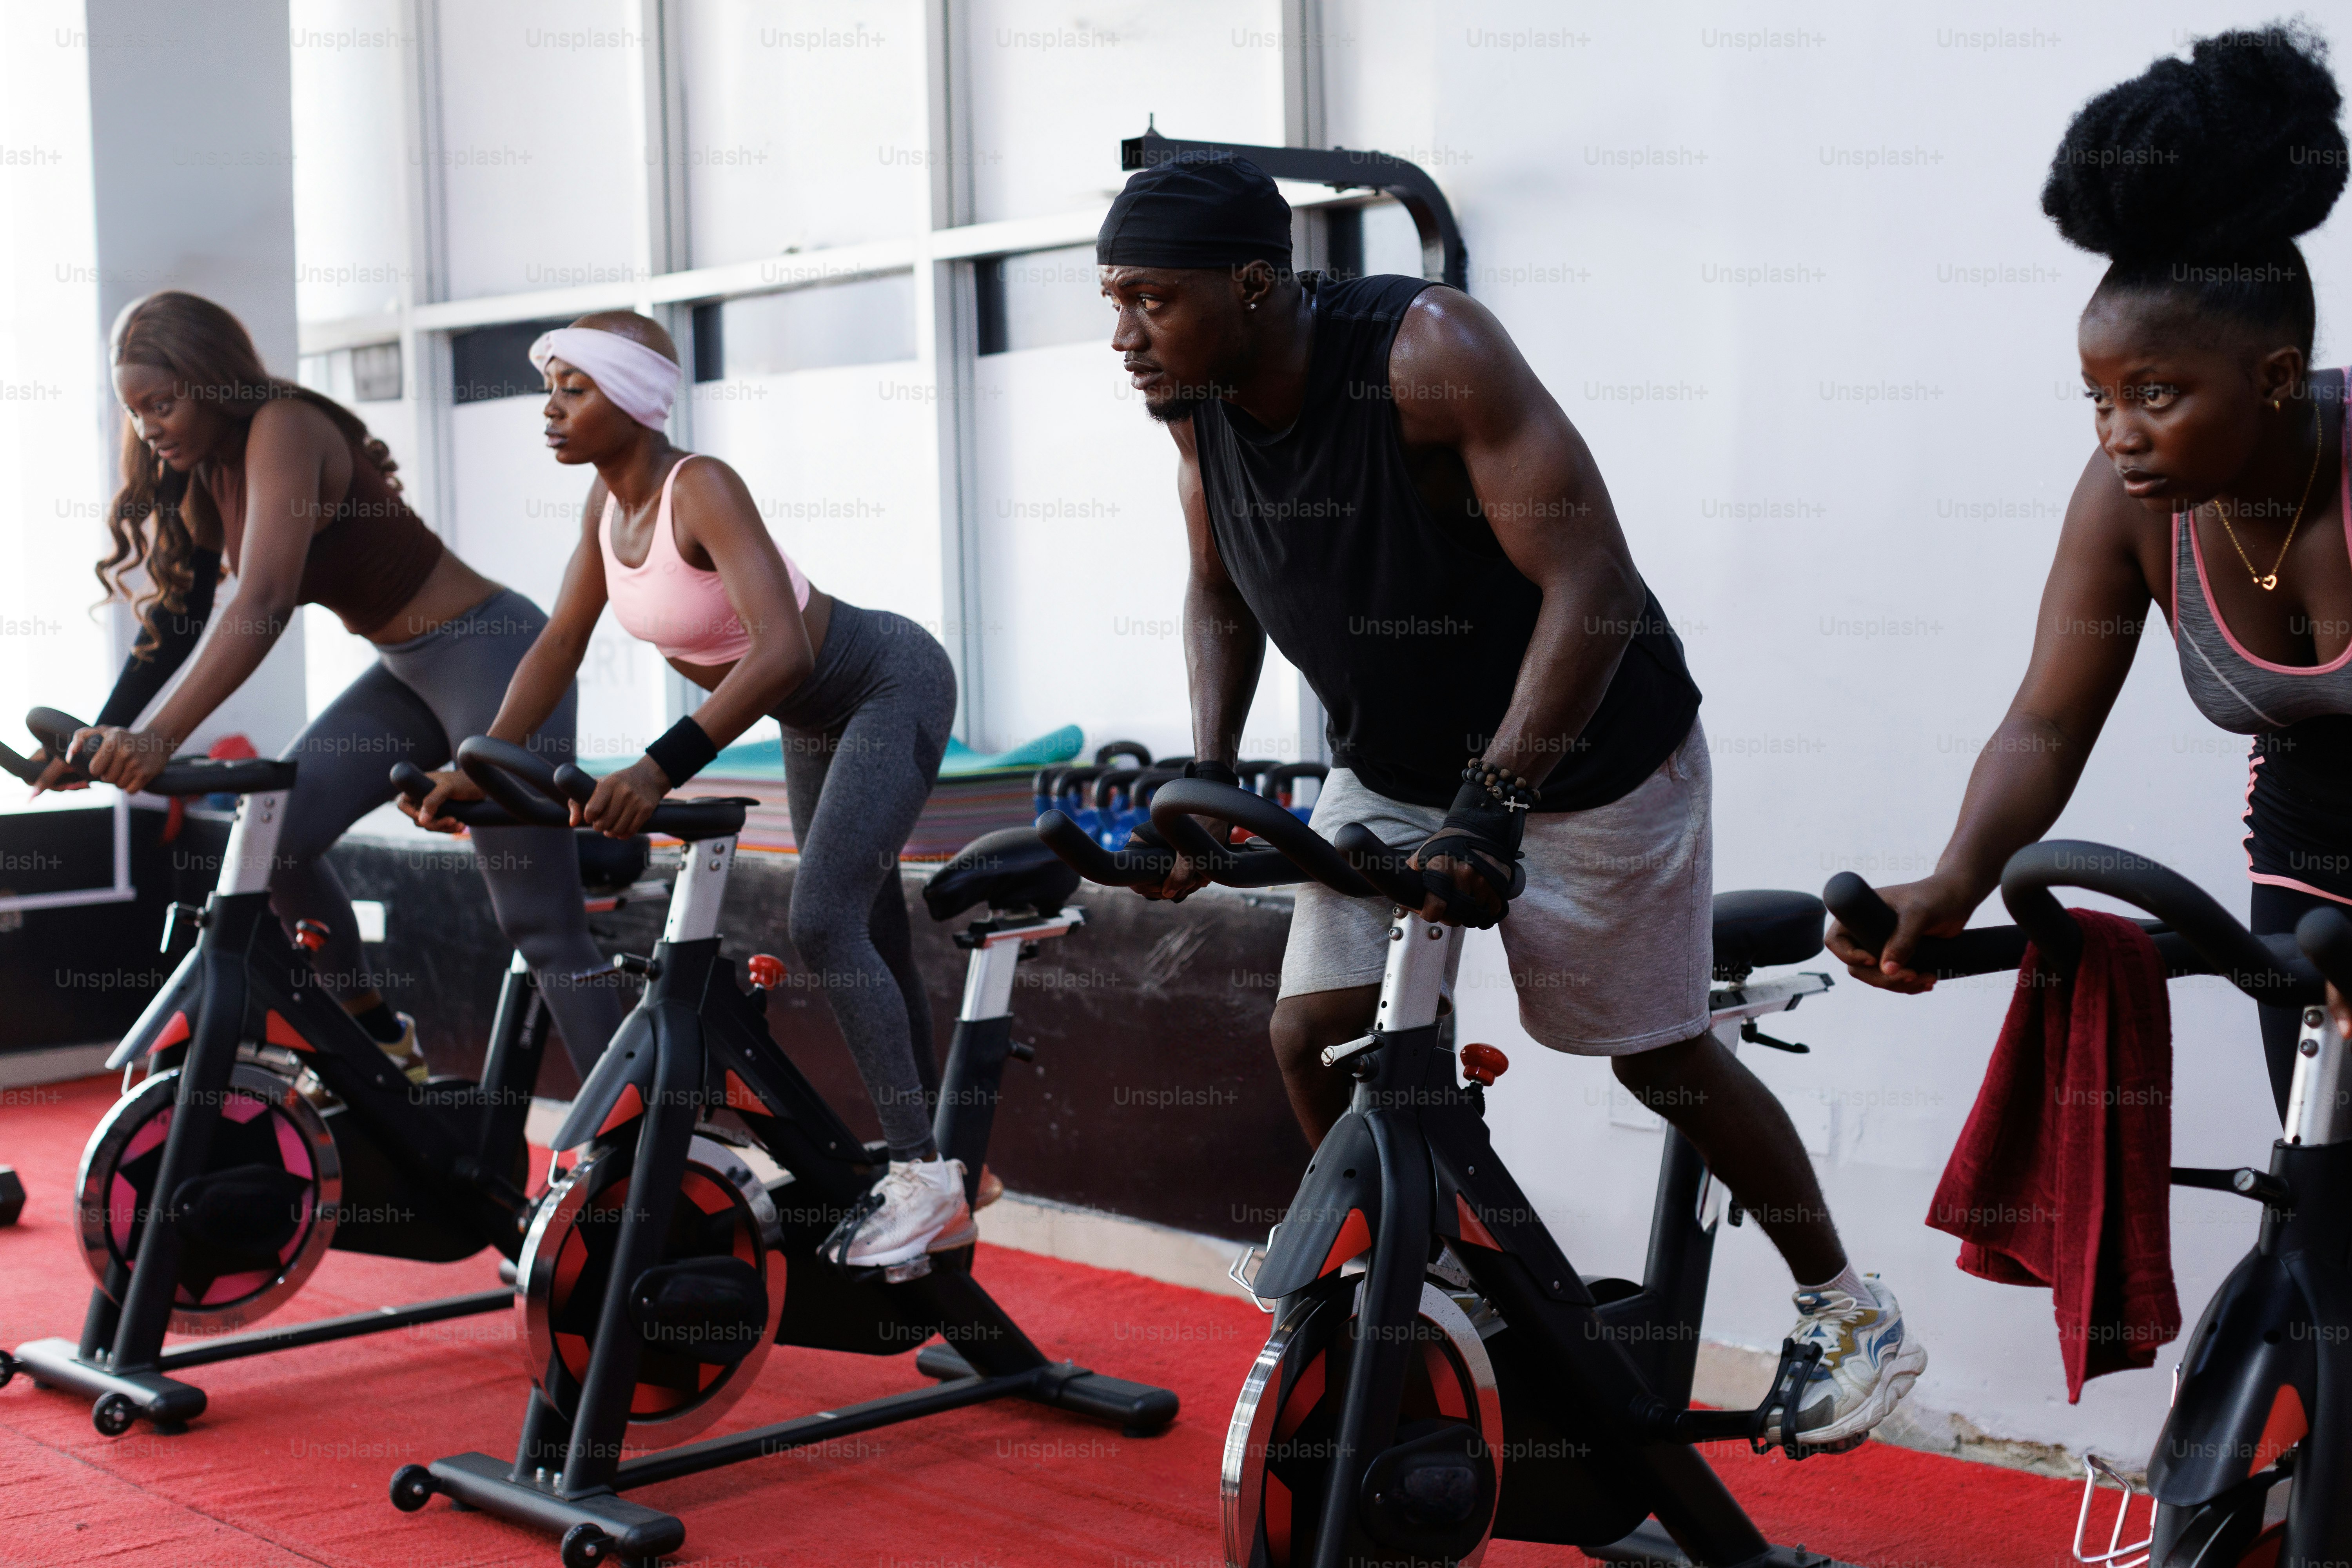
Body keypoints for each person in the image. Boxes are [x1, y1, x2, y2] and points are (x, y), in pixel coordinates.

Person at [1096, 156, 1925, 1448]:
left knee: (1653, 1056)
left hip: (1593, 758)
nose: (1123, 335)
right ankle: (1430, 1298)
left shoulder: (1433, 354)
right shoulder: (1194, 404)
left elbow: (1589, 580)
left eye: (1151, 300)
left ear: (1253, 283)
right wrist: (1207, 779)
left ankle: (1850, 1313)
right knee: (1316, 1031)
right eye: (1113, 300)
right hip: (1395, 762)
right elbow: (1218, 586)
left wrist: (1495, 804)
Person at [1825, 25, 2352, 1127]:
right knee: (2329, 1216)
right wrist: (1956, 878)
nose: (2120, 432)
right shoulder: (2126, 507)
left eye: (2155, 393)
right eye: (2099, 396)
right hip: (2309, 883)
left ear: (2275, 377)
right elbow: (2048, 722)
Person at [404, 311, 971, 1270]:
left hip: (889, 685)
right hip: (814, 716)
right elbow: (557, 644)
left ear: (632, 398)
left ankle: (925, 1175)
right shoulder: (603, 508)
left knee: (827, 919)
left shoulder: (698, 486)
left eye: (573, 390)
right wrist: (480, 761)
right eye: (551, 389)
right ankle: (940, 1161)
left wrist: (659, 764)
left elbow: (781, 645)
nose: (550, 410)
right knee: (867, 926)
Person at [44, 290, 621, 1082]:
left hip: (494, 655)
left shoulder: (285, 426)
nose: (149, 427)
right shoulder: (209, 466)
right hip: (405, 674)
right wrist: (101, 736)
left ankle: (650, 1143)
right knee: (271, 837)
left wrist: (158, 739)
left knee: (542, 925)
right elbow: (179, 613)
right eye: (136, 411)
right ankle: (379, 1037)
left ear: (211, 378)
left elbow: (265, 600)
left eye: (162, 403)